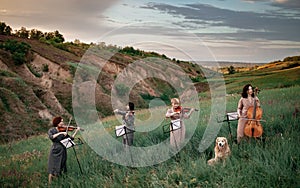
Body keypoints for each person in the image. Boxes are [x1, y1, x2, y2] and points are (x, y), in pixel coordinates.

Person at [47, 116, 80, 184]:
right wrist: (61, 133)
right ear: (57, 122)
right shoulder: (52, 130)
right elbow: (51, 137)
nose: (63, 123)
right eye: (61, 121)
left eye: (62, 121)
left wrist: (76, 131)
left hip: (63, 150)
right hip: (55, 150)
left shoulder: (64, 130)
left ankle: (59, 182)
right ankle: (49, 184)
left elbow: (71, 138)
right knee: (52, 167)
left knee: (62, 165)